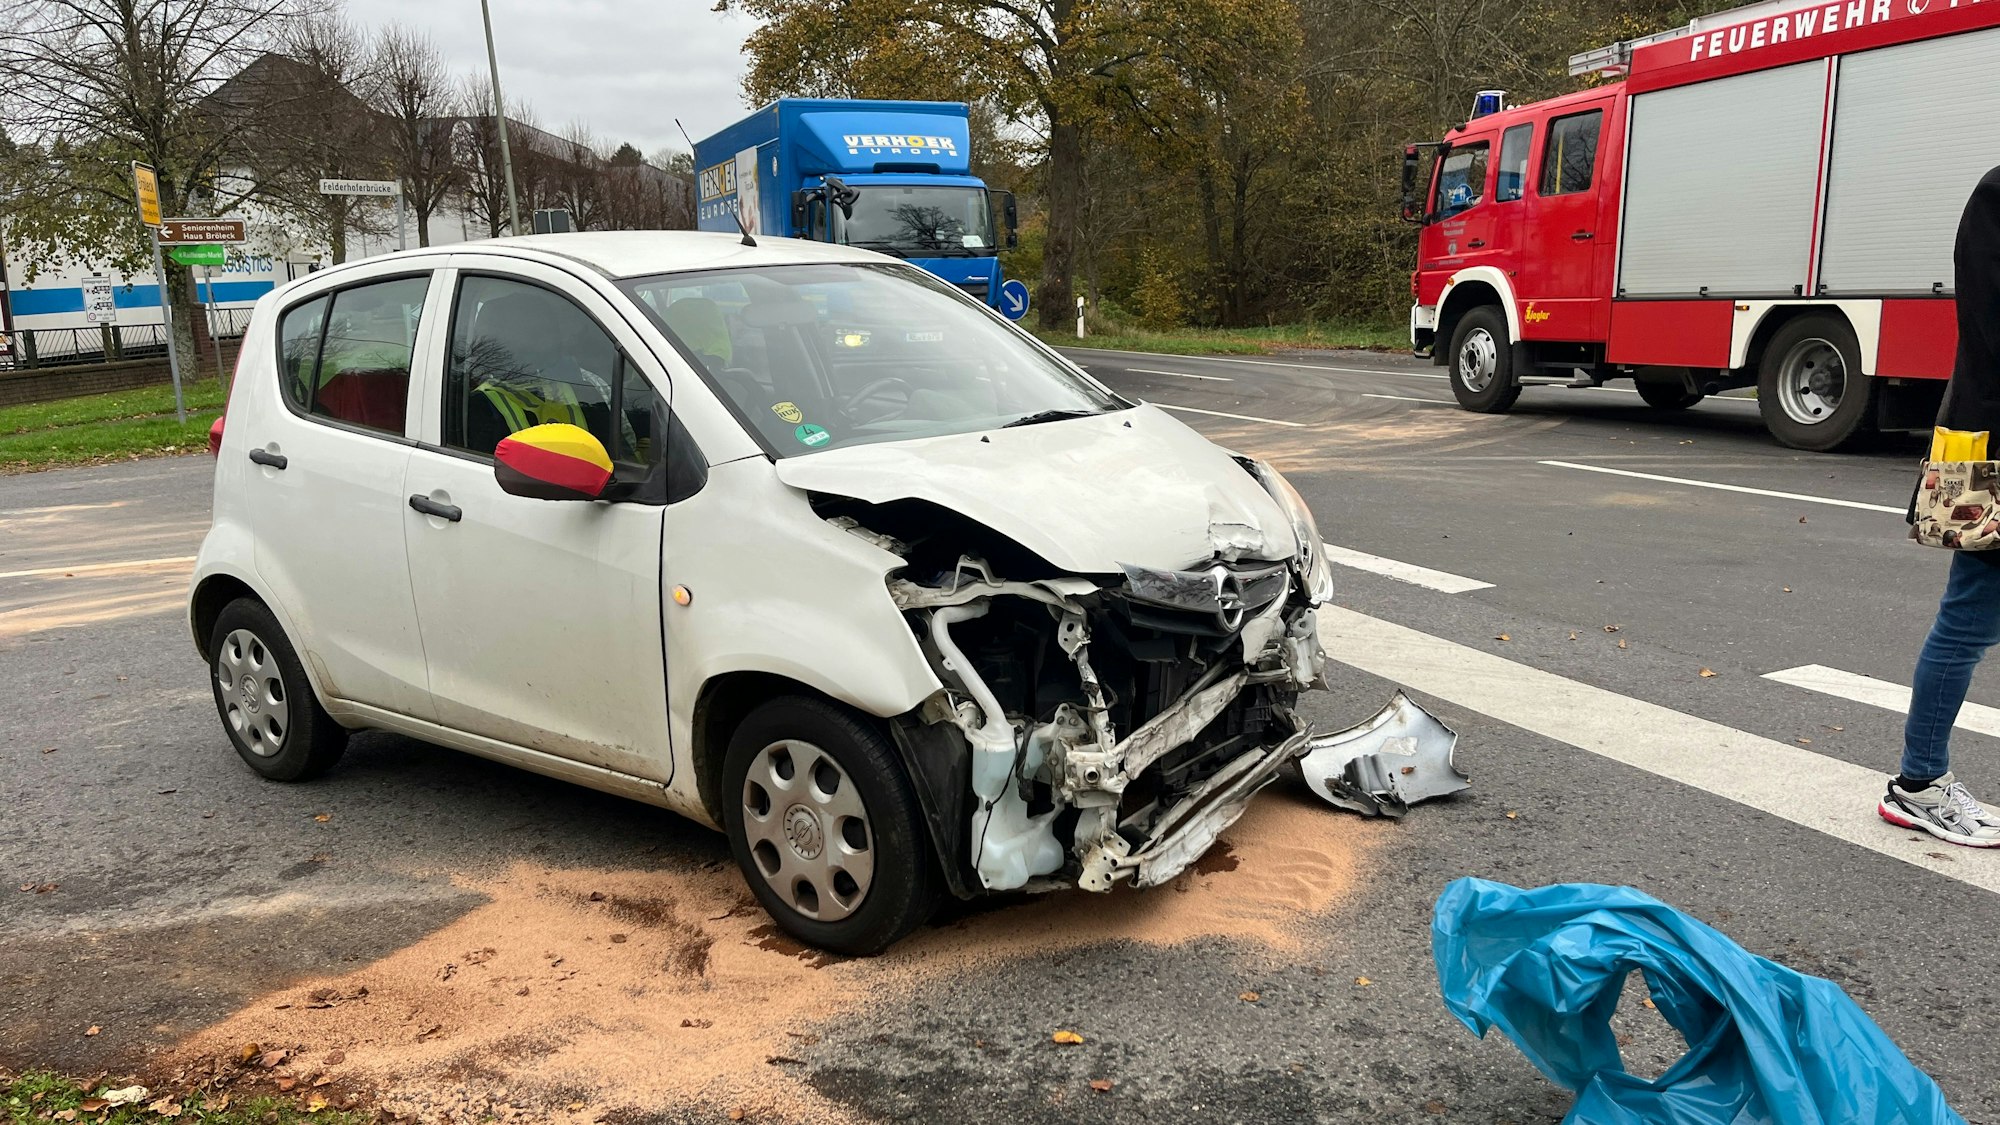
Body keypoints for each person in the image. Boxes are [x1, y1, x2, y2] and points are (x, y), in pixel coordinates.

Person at [1880, 165, 2000, 848]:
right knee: (1970, 617)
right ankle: (1919, 782)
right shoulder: (1998, 195)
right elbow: (1990, 333)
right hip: (1994, 447)